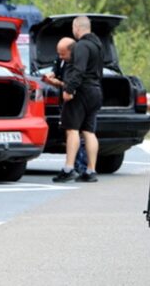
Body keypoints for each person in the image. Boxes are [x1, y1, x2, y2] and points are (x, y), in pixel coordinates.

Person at [52, 16, 104, 183]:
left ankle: (68, 168)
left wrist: (69, 89)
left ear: (76, 27)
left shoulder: (81, 46)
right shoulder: (98, 45)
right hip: (96, 90)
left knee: (72, 129)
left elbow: (79, 70)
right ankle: (91, 170)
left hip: (81, 92)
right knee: (89, 131)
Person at [43, 37, 88, 175]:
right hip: (65, 101)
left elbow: (70, 85)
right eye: (59, 53)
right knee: (70, 133)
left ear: (71, 51)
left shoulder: (76, 63)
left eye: (62, 53)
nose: (60, 56)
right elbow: (56, 69)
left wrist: (58, 84)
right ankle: (75, 164)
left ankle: (80, 165)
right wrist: (51, 75)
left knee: (77, 133)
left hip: (75, 99)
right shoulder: (61, 59)